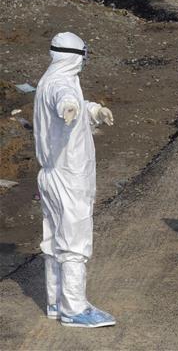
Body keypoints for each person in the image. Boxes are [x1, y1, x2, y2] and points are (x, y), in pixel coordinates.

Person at [33, 33, 116, 328]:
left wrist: (92, 110)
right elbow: (65, 99)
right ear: (74, 56)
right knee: (75, 244)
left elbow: (75, 101)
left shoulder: (49, 79)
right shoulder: (61, 85)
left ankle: (56, 302)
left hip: (51, 174)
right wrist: (68, 107)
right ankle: (74, 308)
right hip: (69, 178)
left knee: (54, 240)